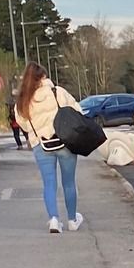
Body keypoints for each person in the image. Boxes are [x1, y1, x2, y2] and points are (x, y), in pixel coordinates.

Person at [13, 63, 83, 233]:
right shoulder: (57, 92)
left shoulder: (23, 100)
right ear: (43, 77)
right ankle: (72, 220)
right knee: (69, 182)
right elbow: (77, 110)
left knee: (49, 183)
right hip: (65, 141)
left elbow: (22, 122)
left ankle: (53, 220)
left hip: (40, 144)